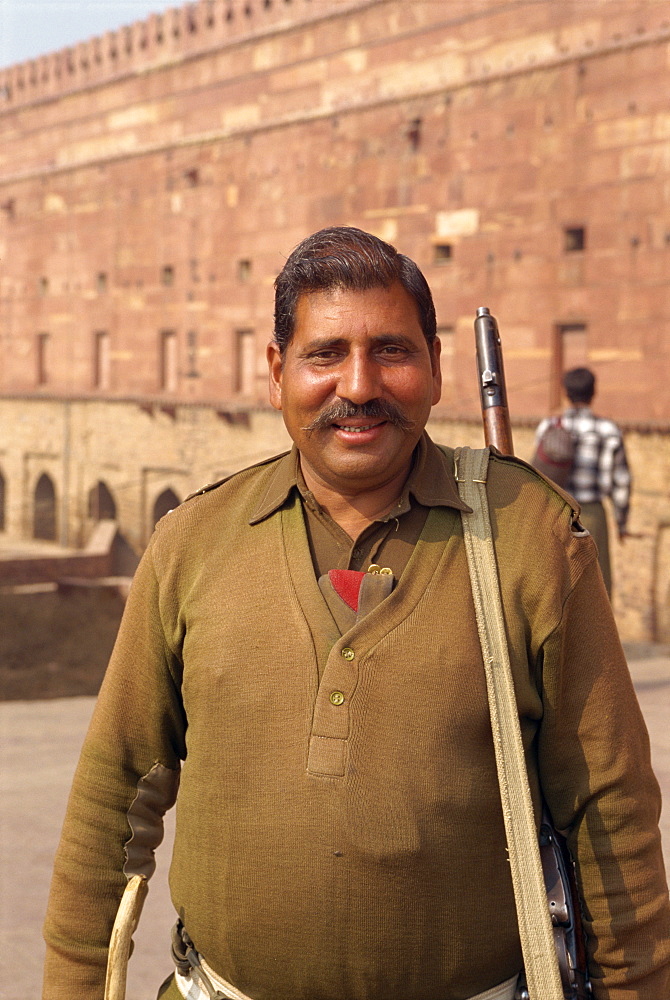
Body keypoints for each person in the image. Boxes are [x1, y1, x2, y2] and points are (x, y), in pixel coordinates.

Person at [43, 228, 669, 1000]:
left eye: (393, 352)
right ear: (276, 373)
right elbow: (113, 796)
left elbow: (611, 809)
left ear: (438, 369)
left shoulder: (524, 536)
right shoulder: (195, 543)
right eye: (325, 354)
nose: (360, 384)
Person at [534, 367, 631, 596]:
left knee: (557, 584)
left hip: (557, 513)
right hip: (592, 514)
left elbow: (538, 472)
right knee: (596, 587)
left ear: (566, 393)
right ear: (593, 392)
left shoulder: (549, 425)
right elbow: (621, 482)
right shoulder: (608, 430)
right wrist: (622, 522)